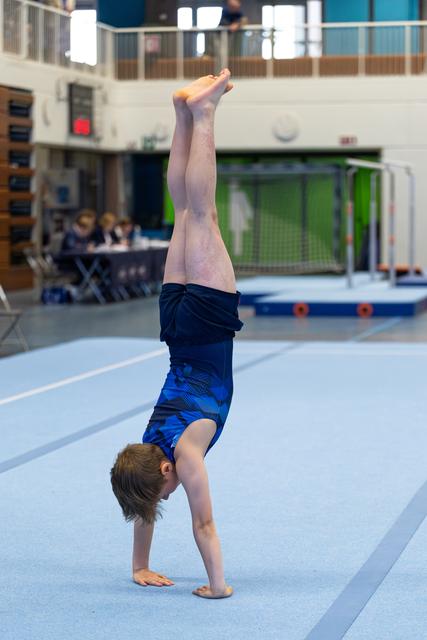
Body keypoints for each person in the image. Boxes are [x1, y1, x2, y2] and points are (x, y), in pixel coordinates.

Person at [110, 69, 243, 599]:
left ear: (165, 467)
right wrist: (139, 564)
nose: (165, 497)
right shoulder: (147, 449)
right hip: (173, 326)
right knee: (183, 214)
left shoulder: (184, 455)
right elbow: (147, 501)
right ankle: (181, 110)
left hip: (209, 322)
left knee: (202, 213)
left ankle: (204, 113)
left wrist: (218, 587)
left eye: (163, 488)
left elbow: (203, 525)